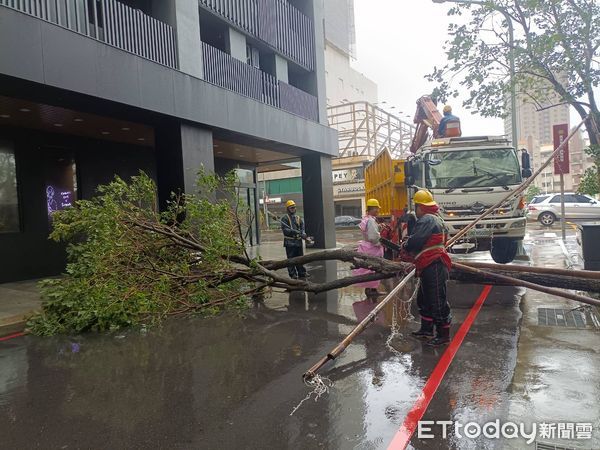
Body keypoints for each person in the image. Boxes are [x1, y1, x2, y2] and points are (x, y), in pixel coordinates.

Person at [402, 190, 452, 346]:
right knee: (425, 298)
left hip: (433, 264)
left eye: (416, 206)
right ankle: (426, 329)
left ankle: (443, 335)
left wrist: (405, 245)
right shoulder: (437, 219)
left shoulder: (427, 220)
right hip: (430, 264)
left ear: (420, 207)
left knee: (437, 300)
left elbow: (415, 242)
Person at [353, 198, 385, 297]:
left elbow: (369, 231)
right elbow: (373, 237)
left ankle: (369, 289)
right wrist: (380, 243)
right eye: (376, 208)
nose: (378, 210)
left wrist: (378, 227)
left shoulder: (366, 219)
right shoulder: (371, 220)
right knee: (374, 268)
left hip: (366, 247)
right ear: (372, 209)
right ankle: (372, 290)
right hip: (372, 249)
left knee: (368, 269)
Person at [281, 200, 308, 279]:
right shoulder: (284, 219)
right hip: (290, 242)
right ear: (287, 209)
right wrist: (296, 232)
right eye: (291, 208)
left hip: (298, 242)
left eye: (294, 207)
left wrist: (303, 233)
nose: (293, 209)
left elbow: (302, 227)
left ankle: (302, 272)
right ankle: (293, 274)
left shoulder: (298, 218)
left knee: (300, 258)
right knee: (291, 260)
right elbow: (286, 231)